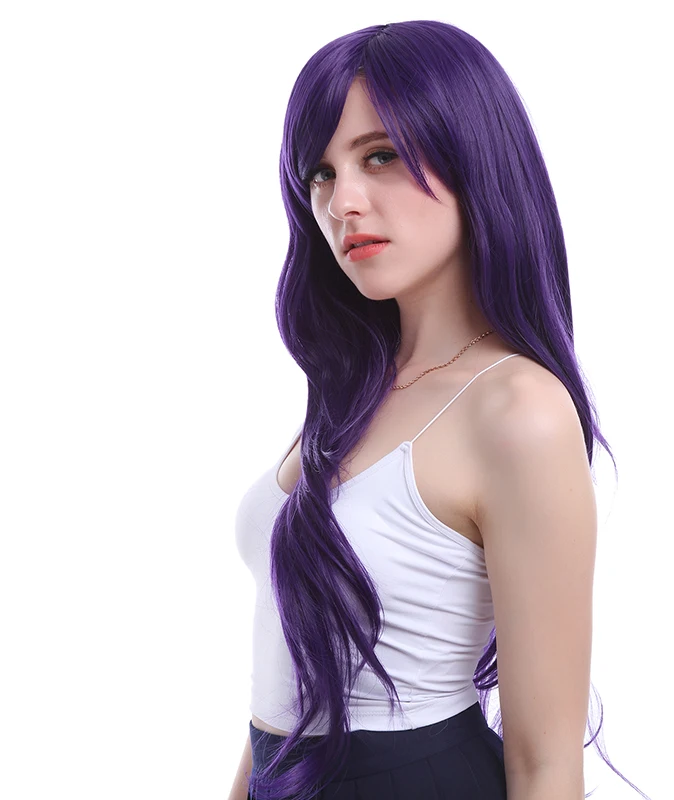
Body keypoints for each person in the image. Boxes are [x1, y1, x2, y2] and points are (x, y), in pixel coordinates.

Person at [229, 19, 648, 800]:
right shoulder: (350, 388)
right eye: (320, 173)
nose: (342, 202)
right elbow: (286, 686)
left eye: (380, 156)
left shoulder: (518, 410)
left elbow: (546, 763)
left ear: (472, 157)